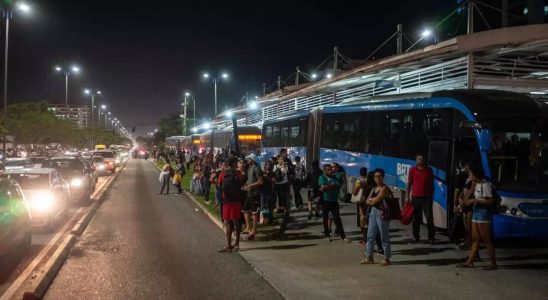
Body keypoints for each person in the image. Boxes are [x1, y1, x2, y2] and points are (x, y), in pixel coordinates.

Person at [457, 166, 498, 270]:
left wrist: (474, 201)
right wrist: (471, 189)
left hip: (484, 212)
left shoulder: (485, 185)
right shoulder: (476, 184)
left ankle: (493, 263)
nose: (471, 177)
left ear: (477, 176)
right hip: (476, 211)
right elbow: (467, 199)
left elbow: (489, 201)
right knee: (475, 238)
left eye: (472, 175)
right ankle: (470, 261)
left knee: (486, 239)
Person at [361, 168, 392, 266]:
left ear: (383, 177)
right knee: (370, 236)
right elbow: (366, 201)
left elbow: (375, 200)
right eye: (376, 176)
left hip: (382, 213)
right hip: (373, 212)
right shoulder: (374, 189)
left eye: (379, 176)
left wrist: (372, 200)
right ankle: (369, 257)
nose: (377, 178)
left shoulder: (384, 188)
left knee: (384, 236)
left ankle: (386, 258)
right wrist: (372, 200)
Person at [405, 154, 436, 244]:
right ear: (416, 160)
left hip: (427, 197)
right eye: (419, 159)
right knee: (416, 218)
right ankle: (416, 236)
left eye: (422, 159)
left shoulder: (429, 170)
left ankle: (431, 237)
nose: (421, 160)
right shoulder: (412, 170)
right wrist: (407, 196)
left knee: (429, 218)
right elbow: (409, 184)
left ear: (425, 160)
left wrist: (431, 195)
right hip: (416, 197)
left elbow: (431, 184)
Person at [218, 157, 245, 253]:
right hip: (236, 200)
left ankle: (228, 246)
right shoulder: (238, 173)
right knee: (236, 222)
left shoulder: (223, 173)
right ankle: (237, 244)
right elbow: (241, 183)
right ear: (234, 164)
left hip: (226, 200)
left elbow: (219, 184)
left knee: (227, 222)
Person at [319, 164, 351, 243]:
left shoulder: (336, 176)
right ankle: (327, 235)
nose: (330, 171)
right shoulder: (321, 177)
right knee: (325, 219)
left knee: (337, 219)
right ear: (324, 170)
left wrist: (328, 186)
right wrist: (332, 185)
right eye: (328, 170)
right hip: (325, 201)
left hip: (334, 201)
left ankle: (343, 236)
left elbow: (338, 185)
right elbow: (322, 188)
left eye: (331, 169)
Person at [353, 168, 383, 251]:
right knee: (376, 229)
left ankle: (368, 244)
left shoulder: (363, 183)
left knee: (366, 227)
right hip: (377, 209)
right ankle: (378, 247)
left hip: (366, 208)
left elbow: (355, 193)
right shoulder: (378, 187)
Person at [241, 153, 263, 240]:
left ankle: (254, 230)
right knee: (245, 210)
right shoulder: (249, 169)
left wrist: (250, 186)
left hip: (254, 194)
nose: (247, 160)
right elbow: (249, 180)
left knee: (254, 212)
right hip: (249, 193)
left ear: (253, 160)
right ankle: (248, 227)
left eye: (249, 159)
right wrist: (245, 185)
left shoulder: (256, 169)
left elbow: (260, 181)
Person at [453, 159, 473, 249]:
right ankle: (468, 243)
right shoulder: (467, 177)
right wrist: (460, 199)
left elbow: (470, 191)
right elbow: (462, 190)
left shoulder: (474, 178)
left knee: (469, 227)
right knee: (466, 227)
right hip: (465, 205)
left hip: (469, 205)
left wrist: (463, 200)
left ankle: (471, 246)